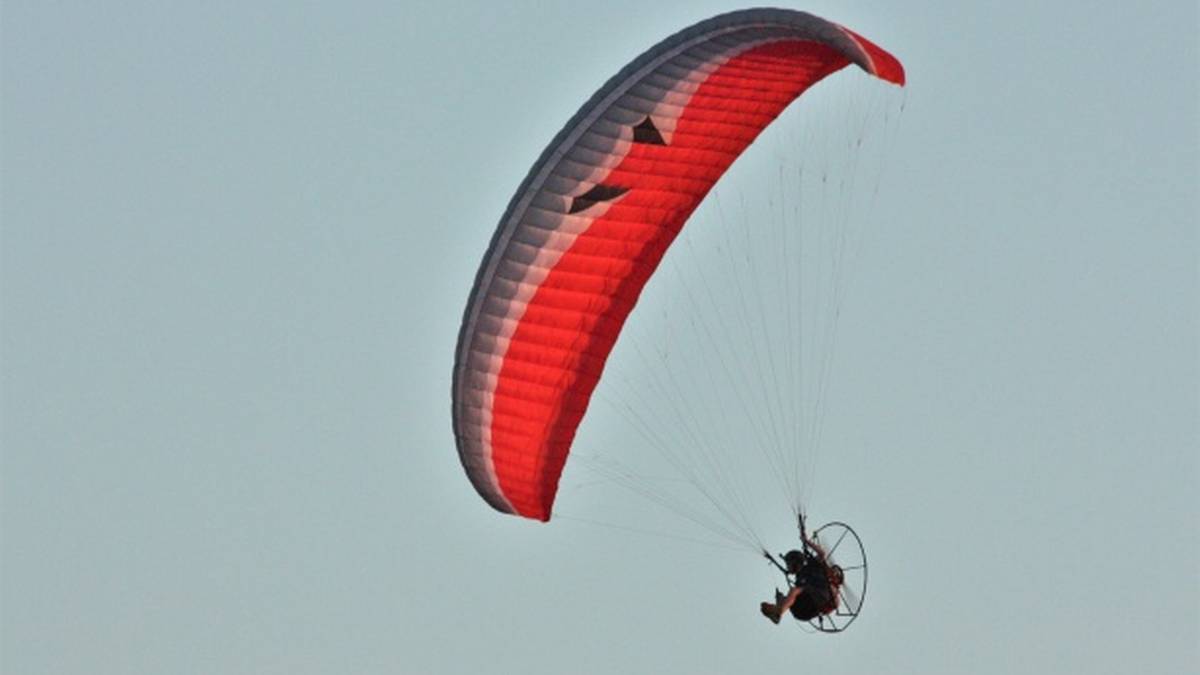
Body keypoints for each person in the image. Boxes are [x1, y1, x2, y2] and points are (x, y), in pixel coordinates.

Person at [760, 532, 845, 624]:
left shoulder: (811, 565)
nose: (787, 567)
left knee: (794, 591)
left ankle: (778, 612)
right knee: (790, 596)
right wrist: (781, 599)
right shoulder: (799, 579)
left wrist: (806, 541)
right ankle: (777, 609)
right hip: (802, 612)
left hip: (821, 597)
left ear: (795, 562)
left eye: (788, 564)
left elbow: (821, 553)